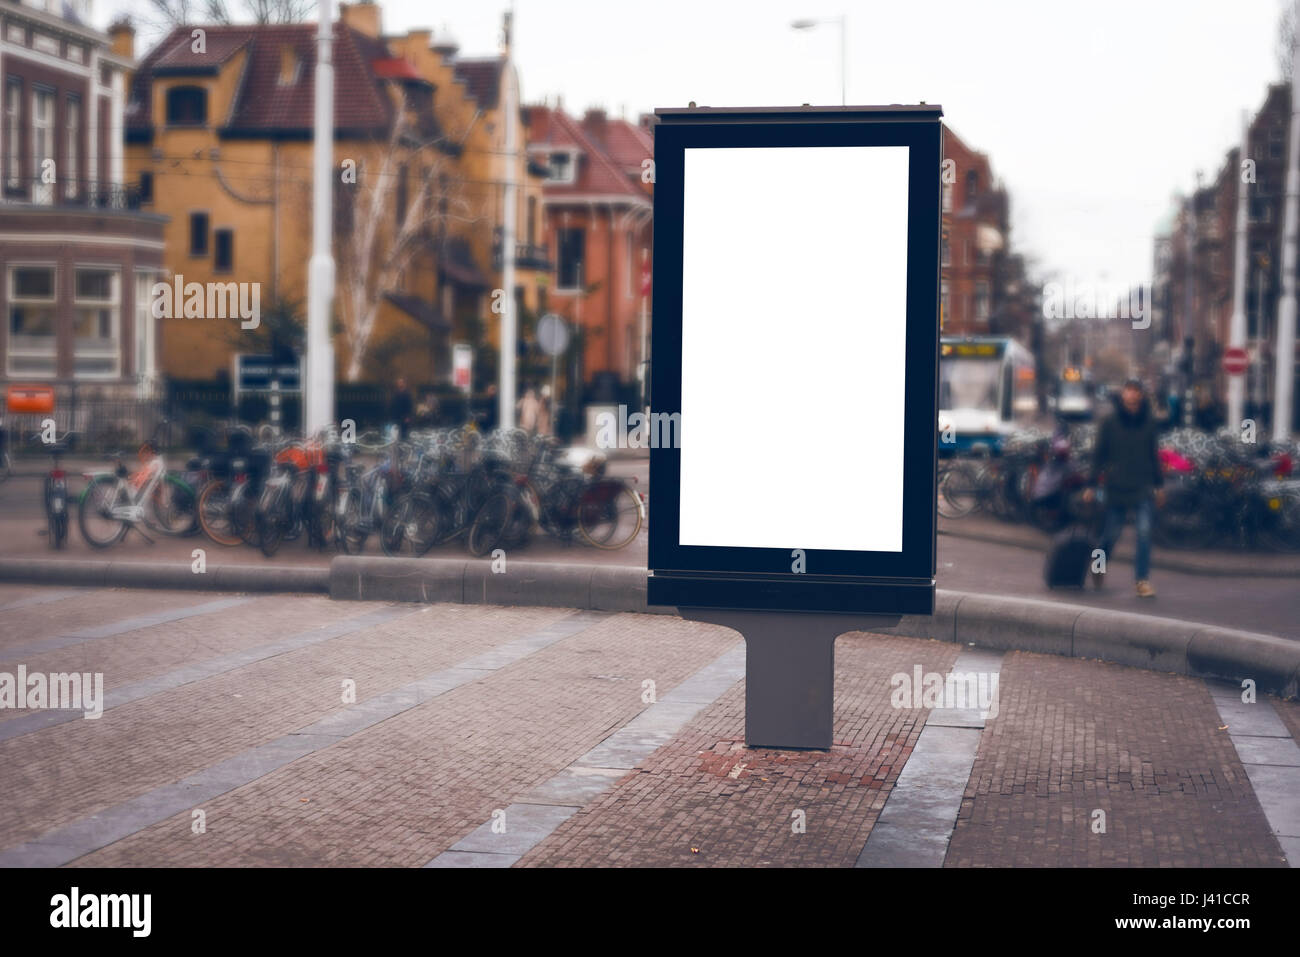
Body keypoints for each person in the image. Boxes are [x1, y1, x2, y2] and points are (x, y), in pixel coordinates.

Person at [1083, 378, 1166, 598]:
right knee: (1110, 535)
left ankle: (1142, 580)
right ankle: (1098, 567)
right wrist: (1091, 484)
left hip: (1142, 486)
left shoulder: (1149, 423)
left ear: (1140, 395)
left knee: (1145, 532)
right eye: (1128, 391)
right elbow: (1099, 454)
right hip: (1116, 486)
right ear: (1123, 395)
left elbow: (1153, 455)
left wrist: (1159, 486)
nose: (1132, 395)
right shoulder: (1109, 423)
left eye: (1136, 391)